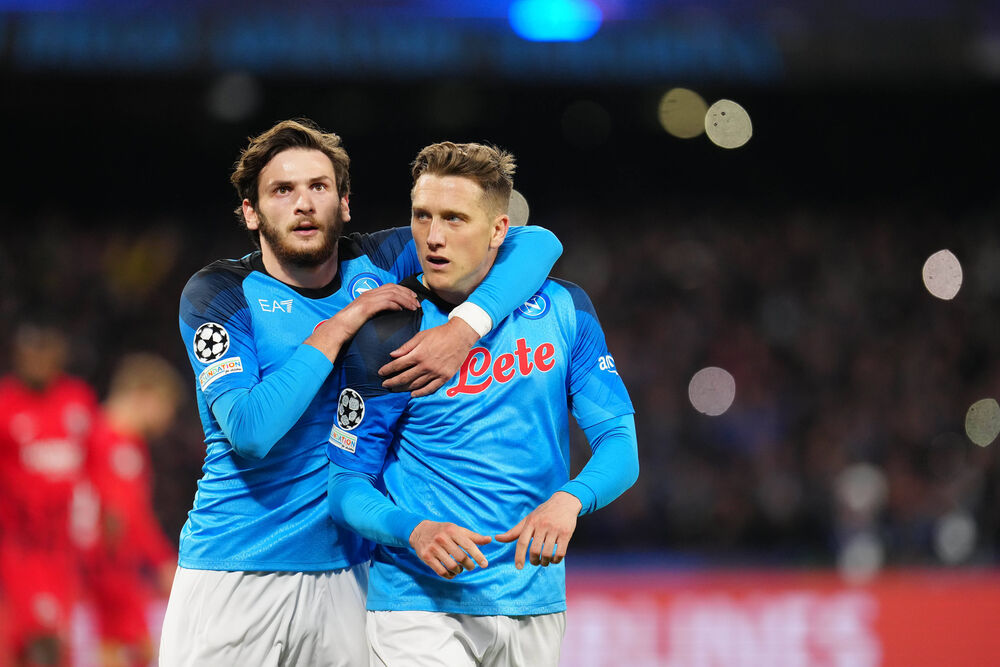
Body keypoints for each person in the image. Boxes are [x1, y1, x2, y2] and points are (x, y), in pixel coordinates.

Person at [160, 119, 562, 666]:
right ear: (251, 212)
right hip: (233, 570)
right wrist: (342, 323)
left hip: (351, 577)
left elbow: (537, 241)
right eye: (282, 190)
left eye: (319, 187)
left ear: (344, 203)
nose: (304, 203)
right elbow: (251, 431)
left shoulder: (378, 261)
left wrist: (464, 328)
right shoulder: (220, 292)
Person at [326, 141, 639, 666]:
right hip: (417, 605)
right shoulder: (387, 333)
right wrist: (413, 530)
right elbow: (345, 486)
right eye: (422, 216)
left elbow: (620, 443)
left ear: (499, 231)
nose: (433, 237)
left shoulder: (564, 308)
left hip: (534, 599)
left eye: (454, 218)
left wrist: (571, 500)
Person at [0, 318, 101, 667]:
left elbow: (94, 465)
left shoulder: (78, 399)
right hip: (22, 546)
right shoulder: (5, 403)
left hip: (67, 546)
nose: (38, 360)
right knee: (39, 637)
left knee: (57, 639)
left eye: (45, 351)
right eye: (31, 351)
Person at [85, 353, 185, 667]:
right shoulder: (102, 439)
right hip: (104, 570)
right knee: (135, 651)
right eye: (166, 406)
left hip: (116, 569)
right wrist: (162, 561)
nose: (167, 419)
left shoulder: (126, 443)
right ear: (145, 395)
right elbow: (125, 516)